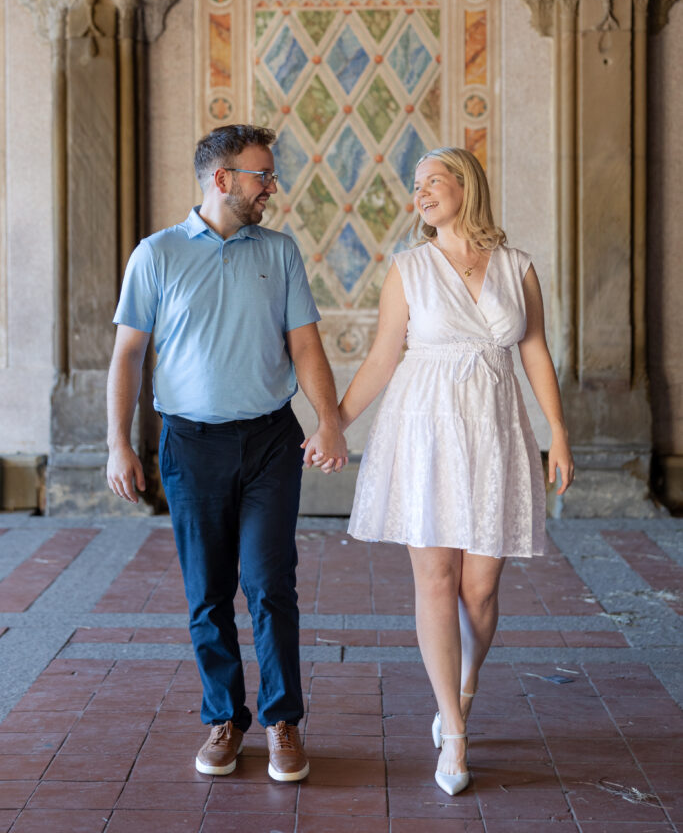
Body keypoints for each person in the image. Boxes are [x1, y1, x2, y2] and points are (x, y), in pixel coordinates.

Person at [106, 124, 347, 783]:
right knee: (206, 593)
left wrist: (328, 422)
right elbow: (128, 353)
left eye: (270, 174)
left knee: (271, 585)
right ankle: (223, 719)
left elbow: (304, 345)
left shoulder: (280, 251)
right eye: (261, 175)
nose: (272, 186)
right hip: (189, 444)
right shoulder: (155, 256)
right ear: (221, 180)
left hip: (270, 439)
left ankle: (282, 721)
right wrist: (118, 443)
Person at [336, 147, 574, 796]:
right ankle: (454, 729)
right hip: (425, 433)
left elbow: (533, 353)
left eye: (431, 181)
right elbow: (385, 359)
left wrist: (556, 433)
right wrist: (333, 421)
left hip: (494, 434)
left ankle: (465, 685)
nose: (420, 193)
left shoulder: (516, 267)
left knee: (479, 590)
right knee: (436, 581)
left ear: (464, 186)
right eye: (415, 186)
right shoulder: (408, 269)